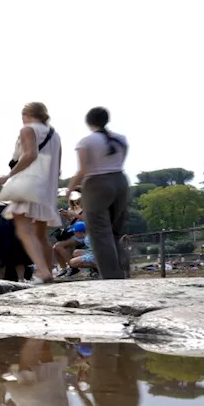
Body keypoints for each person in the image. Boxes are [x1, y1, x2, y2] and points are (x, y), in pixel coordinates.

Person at [0, 101, 61, 283]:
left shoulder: (27, 130)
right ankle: (48, 273)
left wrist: (8, 175)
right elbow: (57, 166)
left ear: (26, 115)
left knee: (23, 229)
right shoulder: (54, 135)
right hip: (47, 185)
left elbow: (30, 155)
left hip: (28, 182)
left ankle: (42, 271)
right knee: (40, 234)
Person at [67, 106, 131, 280]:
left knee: (100, 233)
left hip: (96, 182)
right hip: (120, 181)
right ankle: (122, 271)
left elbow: (83, 169)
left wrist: (70, 188)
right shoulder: (121, 139)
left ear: (89, 122)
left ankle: (111, 277)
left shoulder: (86, 141)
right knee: (114, 231)